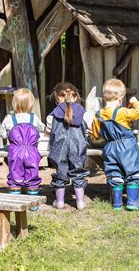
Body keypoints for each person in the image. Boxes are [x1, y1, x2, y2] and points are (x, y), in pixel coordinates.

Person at [90, 78, 139, 211]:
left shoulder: (98, 115)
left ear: (104, 97)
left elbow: (95, 134)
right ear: (121, 98)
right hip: (127, 147)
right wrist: (135, 102)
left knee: (115, 173)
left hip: (110, 147)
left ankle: (117, 204)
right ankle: (133, 202)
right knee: (134, 171)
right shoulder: (122, 112)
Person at [0, 88, 45, 210]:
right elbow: (42, 129)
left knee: (15, 175)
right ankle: (33, 205)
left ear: (14, 103)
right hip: (31, 151)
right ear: (31, 104)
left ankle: (15, 202)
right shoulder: (33, 118)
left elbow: (2, 134)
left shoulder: (9, 119)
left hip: (15, 152)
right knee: (32, 175)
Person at [46, 82, 89, 210]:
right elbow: (89, 129)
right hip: (77, 147)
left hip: (59, 148)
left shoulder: (52, 115)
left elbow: (48, 132)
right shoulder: (84, 113)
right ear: (75, 97)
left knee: (60, 173)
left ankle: (59, 202)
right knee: (78, 172)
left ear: (57, 98)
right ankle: (80, 202)